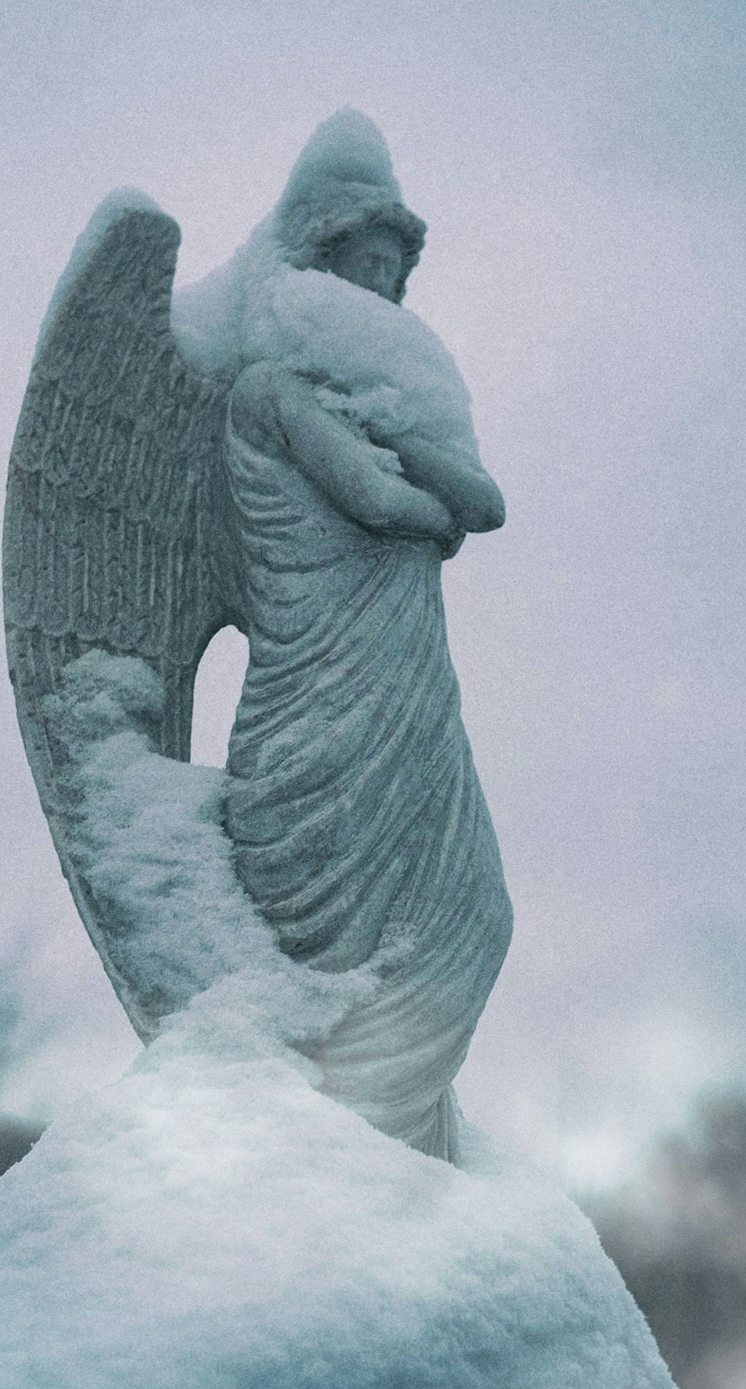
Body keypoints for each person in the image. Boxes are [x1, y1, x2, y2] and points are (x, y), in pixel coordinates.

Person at [219, 151, 513, 1163]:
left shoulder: (368, 401)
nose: (381, 287)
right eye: (365, 264)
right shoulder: (268, 392)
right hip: (322, 699)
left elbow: (486, 504)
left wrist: (414, 446)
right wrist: (428, 505)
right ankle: (347, 1167)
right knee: (349, 947)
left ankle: (393, 1161)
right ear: (320, 265)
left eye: (394, 268)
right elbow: (384, 504)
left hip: (408, 687)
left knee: (474, 916)